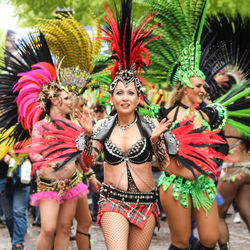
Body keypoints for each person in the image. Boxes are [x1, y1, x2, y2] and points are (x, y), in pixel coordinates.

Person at [74, 1, 171, 248]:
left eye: (130, 93)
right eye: (119, 93)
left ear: (139, 98)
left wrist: (157, 141)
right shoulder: (103, 127)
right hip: (112, 200)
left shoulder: (150, 126)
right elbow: (88, 159)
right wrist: (87, 135)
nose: (125, 98)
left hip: (146, 201)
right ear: (112, 97)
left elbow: (164, 164)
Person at [0, 153, 31, 250]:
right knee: (8, 215)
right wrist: (3, 155)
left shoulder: (28, 137)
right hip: (2, 177)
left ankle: (18, 244)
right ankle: (15, 239)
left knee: (19, 211)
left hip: (22, 176)